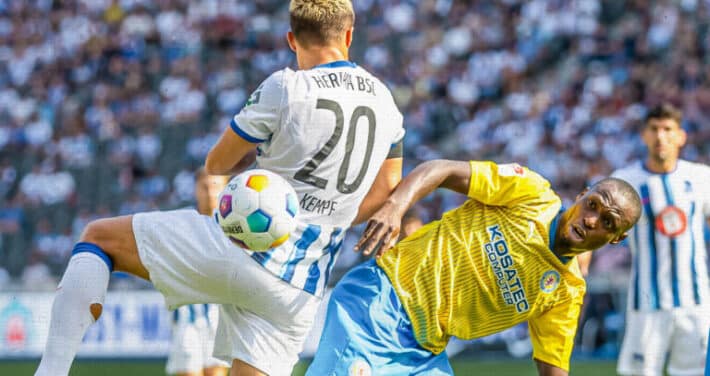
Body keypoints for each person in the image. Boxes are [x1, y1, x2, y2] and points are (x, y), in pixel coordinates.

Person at [35, 1, 405, 375]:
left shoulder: (287, 86)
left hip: (243, 250)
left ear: (292, 40)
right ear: (349, 35)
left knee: (99, 238)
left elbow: (217, 164)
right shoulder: (386, 102)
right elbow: (387, 188)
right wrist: (327, 216)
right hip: (301, 285)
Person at [306, 159, 642, 376]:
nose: (591, 219)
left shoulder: (566, 292)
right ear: (583, 194)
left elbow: (553, 366)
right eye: (592, 205)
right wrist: (395, 205)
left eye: (607, 222)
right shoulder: (532, 195)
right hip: (379, 302)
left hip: (423, 351)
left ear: (617, 238)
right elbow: (442, 169)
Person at [612, 103, 710, 376]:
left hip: (697, 301)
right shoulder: (624, 181)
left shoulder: (701, 177)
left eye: (668, 129)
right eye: (654, 129)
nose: (660, 136)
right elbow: (602, 231)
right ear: (644, 135)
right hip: (647, 302)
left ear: (681, 136)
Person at [166, 169, 229, 376]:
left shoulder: (235, 224)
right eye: (205, 187)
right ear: (195, 189)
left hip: (221, 314)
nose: (210, 193)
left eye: (216, 186)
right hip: (187, 313)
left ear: (226, 188)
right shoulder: (181, 222)